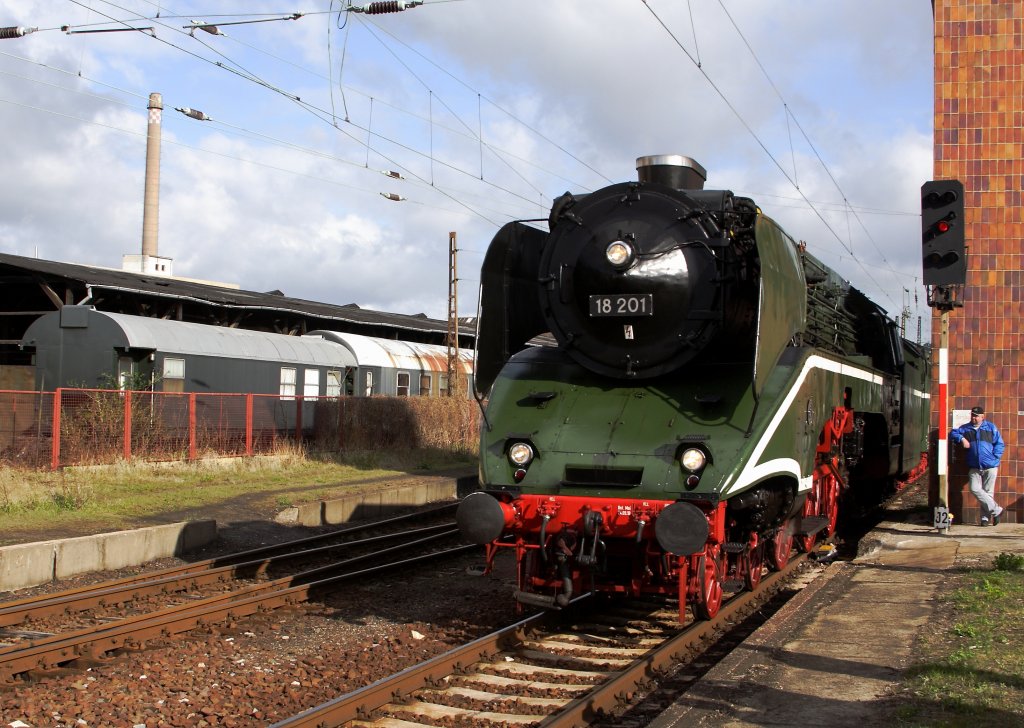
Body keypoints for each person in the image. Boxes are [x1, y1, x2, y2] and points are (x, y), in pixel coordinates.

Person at [950, 405, 1005, 525]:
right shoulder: (966, 428)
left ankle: (985, 519)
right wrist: (962, 439)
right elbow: (953, 433)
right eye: (972, 415)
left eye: (976, 416)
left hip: (990, 465)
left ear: (982, 417)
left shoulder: (991, 427)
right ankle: (997, 510)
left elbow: (999, 444)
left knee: (988, 492)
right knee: (974, 488)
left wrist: (995, 456)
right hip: (974, 466)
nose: (973, 418)